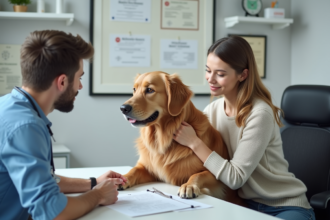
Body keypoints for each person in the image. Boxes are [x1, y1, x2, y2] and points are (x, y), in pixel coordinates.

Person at [173, 36, 315, 220]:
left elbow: (235, 178)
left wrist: (194, 142)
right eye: (208, 71)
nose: (211, 79)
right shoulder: (213, 110)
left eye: (220, 74)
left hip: (283, 207)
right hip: (244, 205)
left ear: (243, 75)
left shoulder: (260, 113)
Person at [0, 30, 127, 220]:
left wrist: (93, 182)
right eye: (80, 78)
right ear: (62, 81)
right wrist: (98, 195)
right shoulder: (26, 127)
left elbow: (42, 180)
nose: (80, 87)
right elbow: (52, 212)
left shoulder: (8, 106)